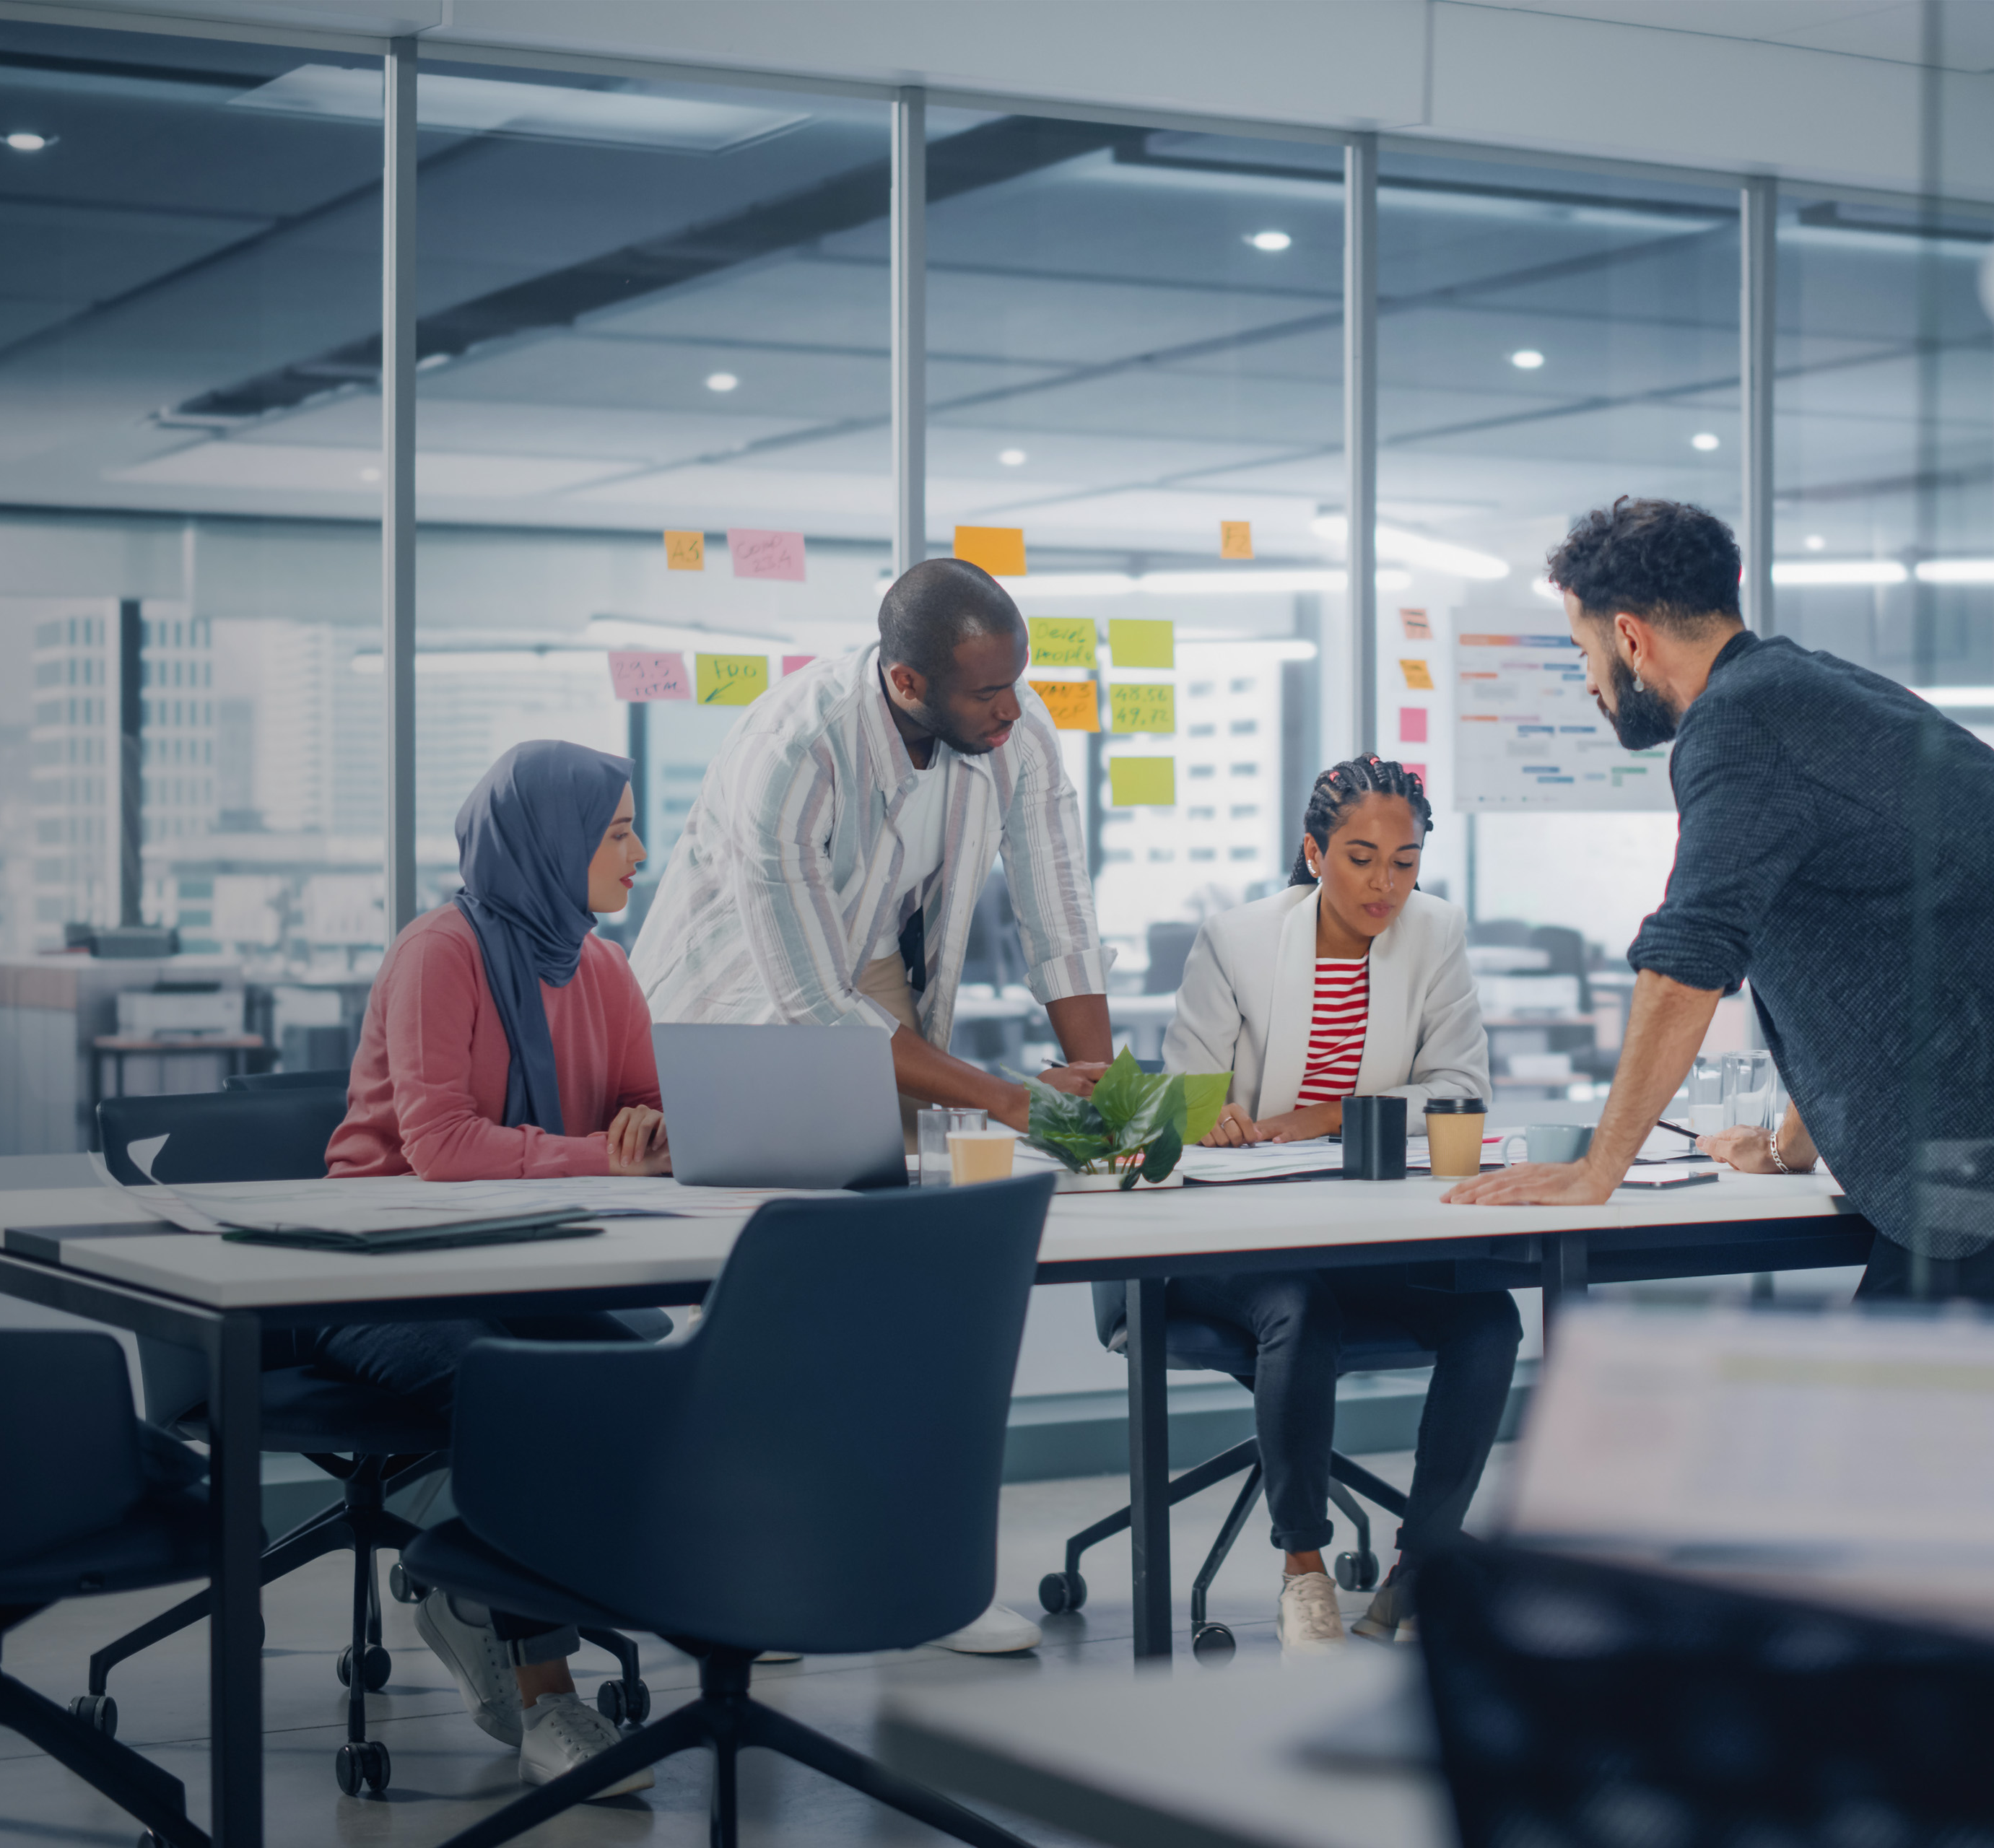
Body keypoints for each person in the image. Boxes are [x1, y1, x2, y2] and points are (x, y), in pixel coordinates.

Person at [1446, 498, 1994, 1307]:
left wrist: (1596, 1169)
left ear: (1632, 639)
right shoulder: (1797, 686)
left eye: (1585, 652)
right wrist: (1789, 1147)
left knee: (1904, 1388)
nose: (1589, 681)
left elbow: (1689, 957)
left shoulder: (1740, 725)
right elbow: (1867, 942)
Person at [630, 556, 1113, 1656]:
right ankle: (740, 1582)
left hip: (878, 983)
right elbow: (807, 1003)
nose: (1013, 709)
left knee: (913, 1284)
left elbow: (1058, 914)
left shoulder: (1012, 728)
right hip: (744, 998)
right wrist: (1007, 1102)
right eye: (988, 693)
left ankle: (918, 1579)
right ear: (905, 684)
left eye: (1018, 684)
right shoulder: (790, 752)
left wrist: (1107, 1096)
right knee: (767, 1294)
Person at [321, 738, 666, 1799]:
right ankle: (544, 1689)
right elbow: (442, 1148)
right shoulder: (441, 952)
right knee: (525, 1397)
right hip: (379, 1275)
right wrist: (600, 1153)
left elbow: (655, 1114)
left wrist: (668, 1128)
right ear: (550, 844)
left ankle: (465, 1584)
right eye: (616, 835)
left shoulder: (600, 965)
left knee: (647, 1386)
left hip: (532, 1262)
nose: (640, 855)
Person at [1160, 757, 1517, 1655]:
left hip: (1364, 1233)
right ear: (1315, 852)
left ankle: (1421, 1568)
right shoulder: (1237, 940)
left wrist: (1314, 1118)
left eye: (1405, 861)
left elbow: (1462, 1088)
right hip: (1233, 1243)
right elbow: (1182, 1100)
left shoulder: (1434, 934)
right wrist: (1221, 1118)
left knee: (1487, 1319)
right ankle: (1304, 1570)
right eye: (1361, 858)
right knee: (1297, 1307)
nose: (1384, 884)